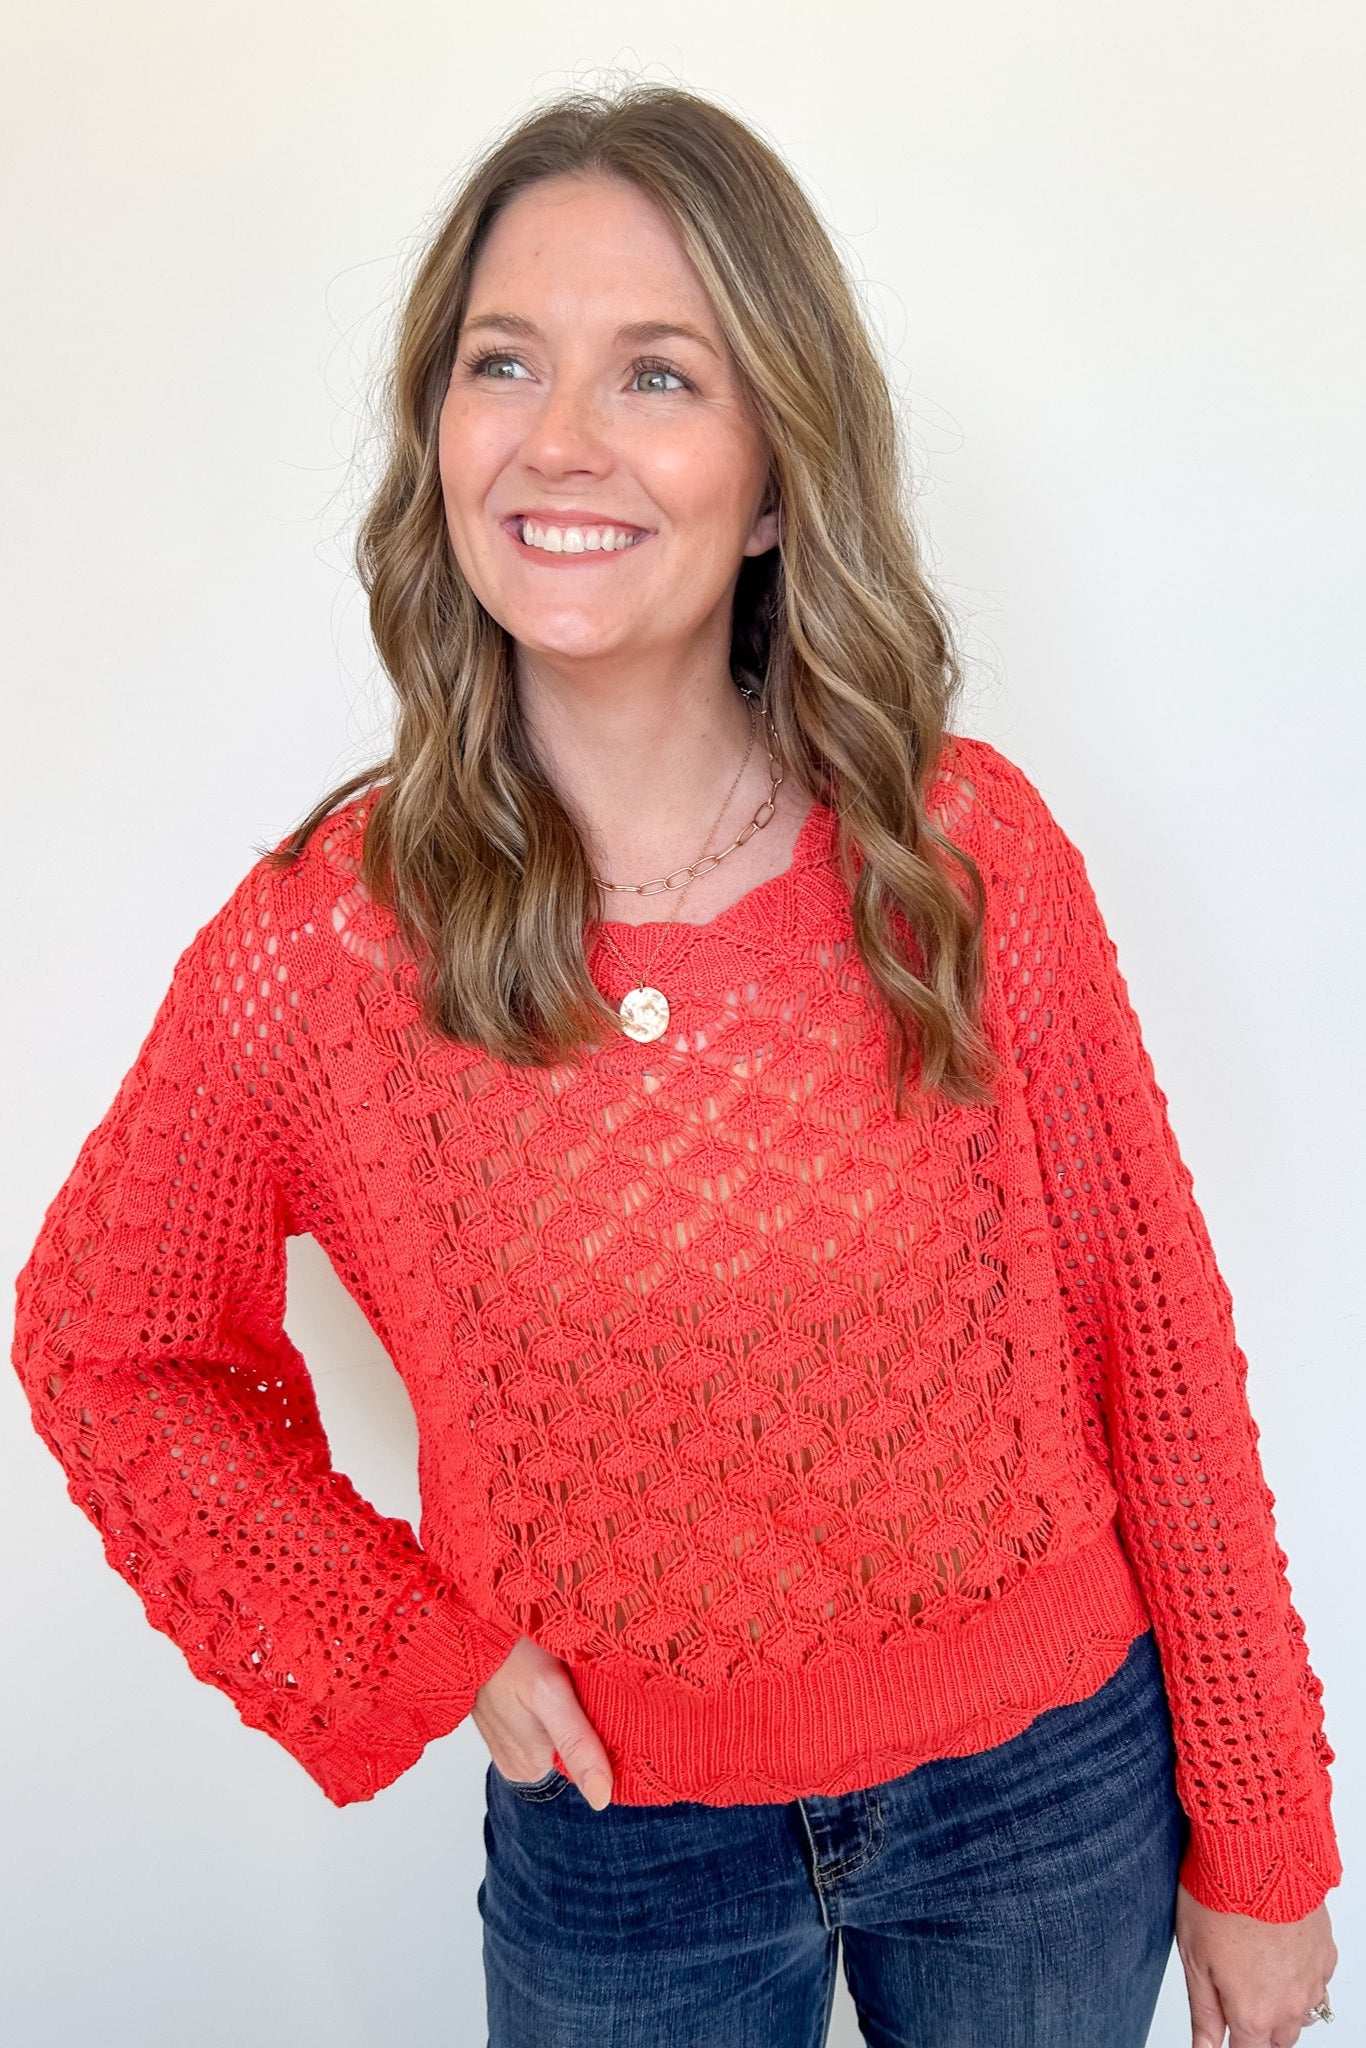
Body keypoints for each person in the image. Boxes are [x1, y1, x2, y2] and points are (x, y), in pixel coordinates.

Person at [11, 80, 1341, 2048]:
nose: (558, 439)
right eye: (502, 365)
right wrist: (404, 1642)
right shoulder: (331, 946)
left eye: (655, 375)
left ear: (776, 470)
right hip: (619, 1844)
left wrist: (1262, 1841)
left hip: (1045, 1800)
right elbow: (106, 1336)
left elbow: (1153, 1351)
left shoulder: (965, 860)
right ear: (438, 433)